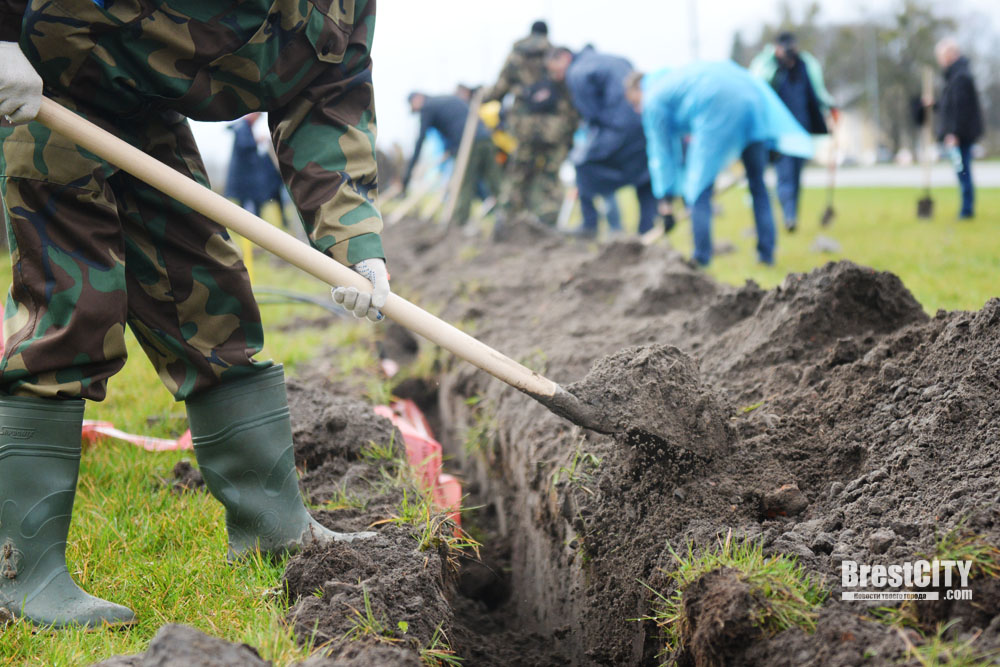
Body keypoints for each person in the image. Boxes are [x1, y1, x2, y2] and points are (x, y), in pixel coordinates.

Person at [0, 0, 390, 629]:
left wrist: (355, 245)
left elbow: (329, 96)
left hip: (143, 103)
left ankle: (274, 530)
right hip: (43, 77)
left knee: (210, 298)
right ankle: (19, 573)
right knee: (74, 304)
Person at [625, 61, 814, 266]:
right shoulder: (679, 78)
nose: (637, 110)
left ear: (638, 88)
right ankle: (766, 255)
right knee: (757, 184)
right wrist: (770, 142)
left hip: (716, 105)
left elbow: (661, 152)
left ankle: (700, 259)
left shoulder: (653, 97)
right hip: (752, 102)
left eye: (634, 103)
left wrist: (665, 201)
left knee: (698, 188)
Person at [547, 46, 656, 239]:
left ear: (564, 57)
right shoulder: (616, 58)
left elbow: (591, 115)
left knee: (582, 166)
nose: (556, 77)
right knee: (644, 177)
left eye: (555, 70)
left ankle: (590, 225)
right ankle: (646, 232)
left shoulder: (577, 72)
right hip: (643, 124)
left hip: (617, 129)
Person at [485, 21, 578, 228]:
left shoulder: (516, 56)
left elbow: (499, 90)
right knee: (550, 175)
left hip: (524, 125)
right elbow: (569, 93)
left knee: (519, 172)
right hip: (555, 127)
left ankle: (508, 222)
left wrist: (483, 97)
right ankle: (548, 223)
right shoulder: (555, 56)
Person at [750, 32, 836, 231]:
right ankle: (789, 215)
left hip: (802, 130)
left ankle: (792, 213)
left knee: (796, 175)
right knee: (785, 173)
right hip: (781, 133)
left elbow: (817, 92)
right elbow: (759, 86)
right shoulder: (771, 69)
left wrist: (831, 107)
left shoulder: (805, 67)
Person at [402, 92, 501, 226]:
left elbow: (421, 139)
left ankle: (460, 223)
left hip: (468, 142)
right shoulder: (447, 100)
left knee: (464, 182)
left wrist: (408, 174)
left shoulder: (428, 107)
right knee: (493, 180)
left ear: (417, 99)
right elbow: (454, 124)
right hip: (485, 138)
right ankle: (503, 212)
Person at [928, 38, 985, 219]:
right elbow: (949, 106)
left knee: (963, 170)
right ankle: (966, 208)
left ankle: (966, 210)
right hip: (958, 133)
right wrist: (935, 104)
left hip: (960, 134)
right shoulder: (955, 76)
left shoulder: (960, 77)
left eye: (942, 56)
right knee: (962, 170)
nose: (940, 60)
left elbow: (960, 109)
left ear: (950, 55)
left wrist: (954, 133)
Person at [225, 113, 286, 224]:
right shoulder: (243, 127)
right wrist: (257, 140)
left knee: (249, 208)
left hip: (246, 180)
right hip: (243, 180)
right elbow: (245, 145)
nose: (257, 120)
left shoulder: (245, 127)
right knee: (246, 209)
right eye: (257, 116)